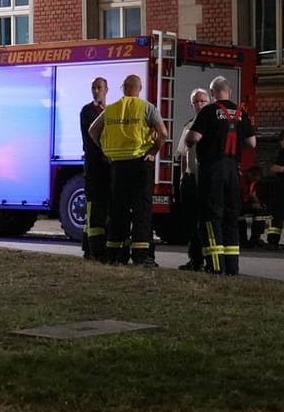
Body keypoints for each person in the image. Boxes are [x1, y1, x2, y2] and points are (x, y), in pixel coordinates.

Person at [87, 74, 170, 267]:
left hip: (118, 165)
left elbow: (93, 130)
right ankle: (141, 256)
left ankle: (115, 254)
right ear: (139, 88)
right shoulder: (146, 108)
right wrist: (153, 151)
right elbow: (163, 133)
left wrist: (106, 149)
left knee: (118, 209)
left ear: (123, 88)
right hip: (140, 163)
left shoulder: (112, 109)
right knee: (141, 209)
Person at [187, 76, 257, 276]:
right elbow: (252, 143)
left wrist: (193, 143)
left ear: (212, 93)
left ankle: (216, 266)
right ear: (230, 92)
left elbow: (194, 137)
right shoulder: (241, 113)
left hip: (212, 170)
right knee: (230, 218)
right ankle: (232, 267)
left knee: (212, 217)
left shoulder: (209, 111)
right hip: (233, 170)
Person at [175, 87, 210, 272]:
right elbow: (182, 154)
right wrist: (182, 177)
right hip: (190, 178)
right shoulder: (188, 126)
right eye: (196, 102)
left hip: (205, 179)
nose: (199, 104)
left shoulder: (212, 125)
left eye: (203, 101)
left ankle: (209, 259)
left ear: (209, 103)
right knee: (190, 221)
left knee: (205, 221)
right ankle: (195, 259)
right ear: (192, 105)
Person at [78, 77, 110, 262]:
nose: (96, 91)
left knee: (103, 208)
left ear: (107, 90)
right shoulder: (88, 111)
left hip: (107, 167)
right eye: (94, 88)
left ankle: (97, 245)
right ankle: (90, 248)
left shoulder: (109, 111)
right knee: (93, 208)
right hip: (94, 165)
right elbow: (92, 136)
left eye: (99, 88)